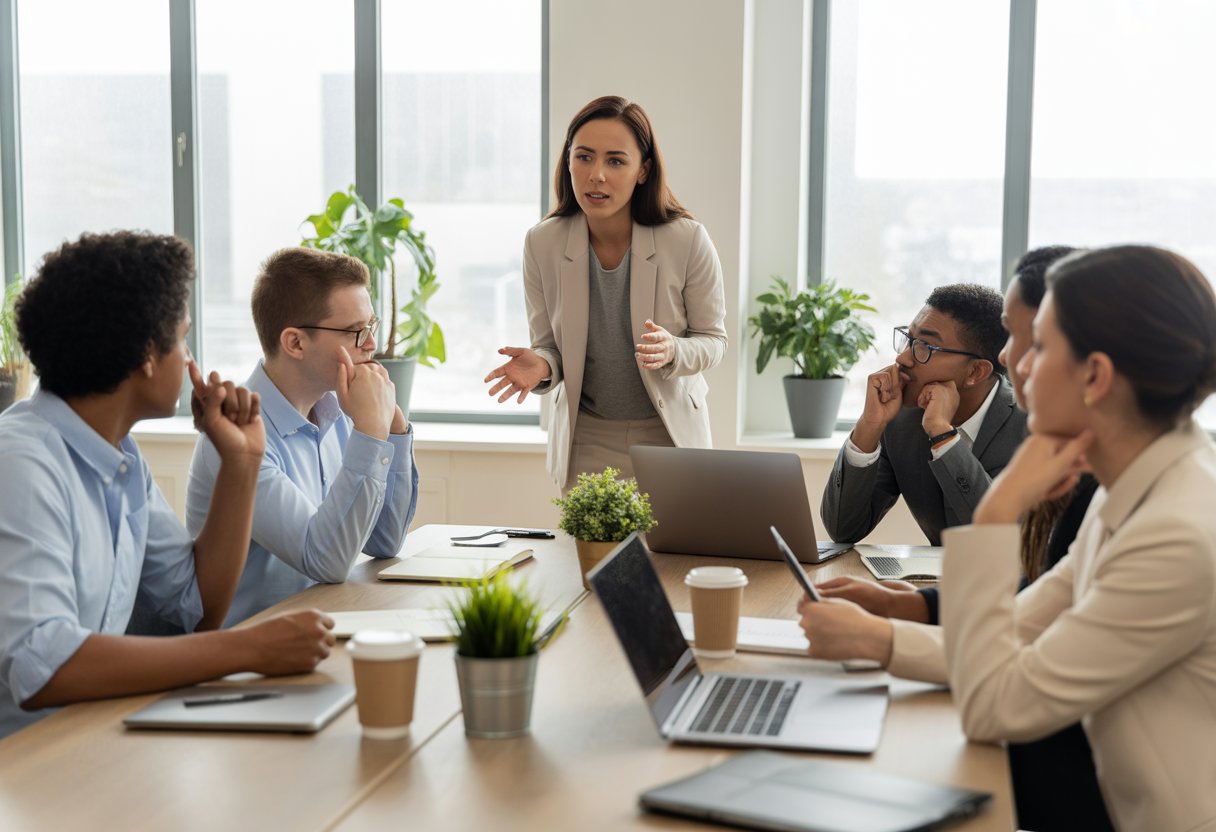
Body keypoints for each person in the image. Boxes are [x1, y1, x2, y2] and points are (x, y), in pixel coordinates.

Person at [800, 246, 1115, 831]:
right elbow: (1037, 605)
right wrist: (903, 607)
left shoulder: (1070, 460)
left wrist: (884, 640)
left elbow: (1004, 682)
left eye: (1032, 344)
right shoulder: (1105, 479)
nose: (1012, 365)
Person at [0, 232, 334, 739]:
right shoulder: (23, 464)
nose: (189, 358)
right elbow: (44, 665)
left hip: (91, 737)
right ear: (146, 357)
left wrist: (241, 461)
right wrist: (250, 648)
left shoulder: (120, 458)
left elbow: (197, 605)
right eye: (182, 338)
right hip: (25, 764)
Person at [943, 245, 1216, 832]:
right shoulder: (1135, 486)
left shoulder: (1175, 535)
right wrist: (882, 645)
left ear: (1095, 375)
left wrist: (996, 511)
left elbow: (992, 704)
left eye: (1039, 345)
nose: (1017, 363)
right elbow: (1015, 633)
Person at [482, 95, 727, 491]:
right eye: (584, 157)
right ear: (568, 162)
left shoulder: (686, 240)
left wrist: (673, 351)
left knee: (674, 556)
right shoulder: (542, 243)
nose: (597, 175)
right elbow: (550, 347)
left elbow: (714, 341)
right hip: (586, 439)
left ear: (643, 170)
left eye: (615, 161)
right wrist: (542, 366)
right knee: (593, 555)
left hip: (669, 434)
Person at [184, 247, 418, 627]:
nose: (371, 345)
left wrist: (392, 426)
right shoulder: (234, 435)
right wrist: (371, 434)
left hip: (318, 630)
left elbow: (385, 540)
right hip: (246, 655)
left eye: (370, 327)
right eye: (356, 331)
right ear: (294, 343)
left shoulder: (341, 413)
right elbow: (326, 561)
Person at [821, 284, 1026, 546]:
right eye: (909, 340)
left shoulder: (1030, 426)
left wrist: (942, 434)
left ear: (976, 372)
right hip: (931, 584)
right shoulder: (901, 419)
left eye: (926, 346)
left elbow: (1001, 541)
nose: (903, 358)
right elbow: (843, 529)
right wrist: (869, 426)